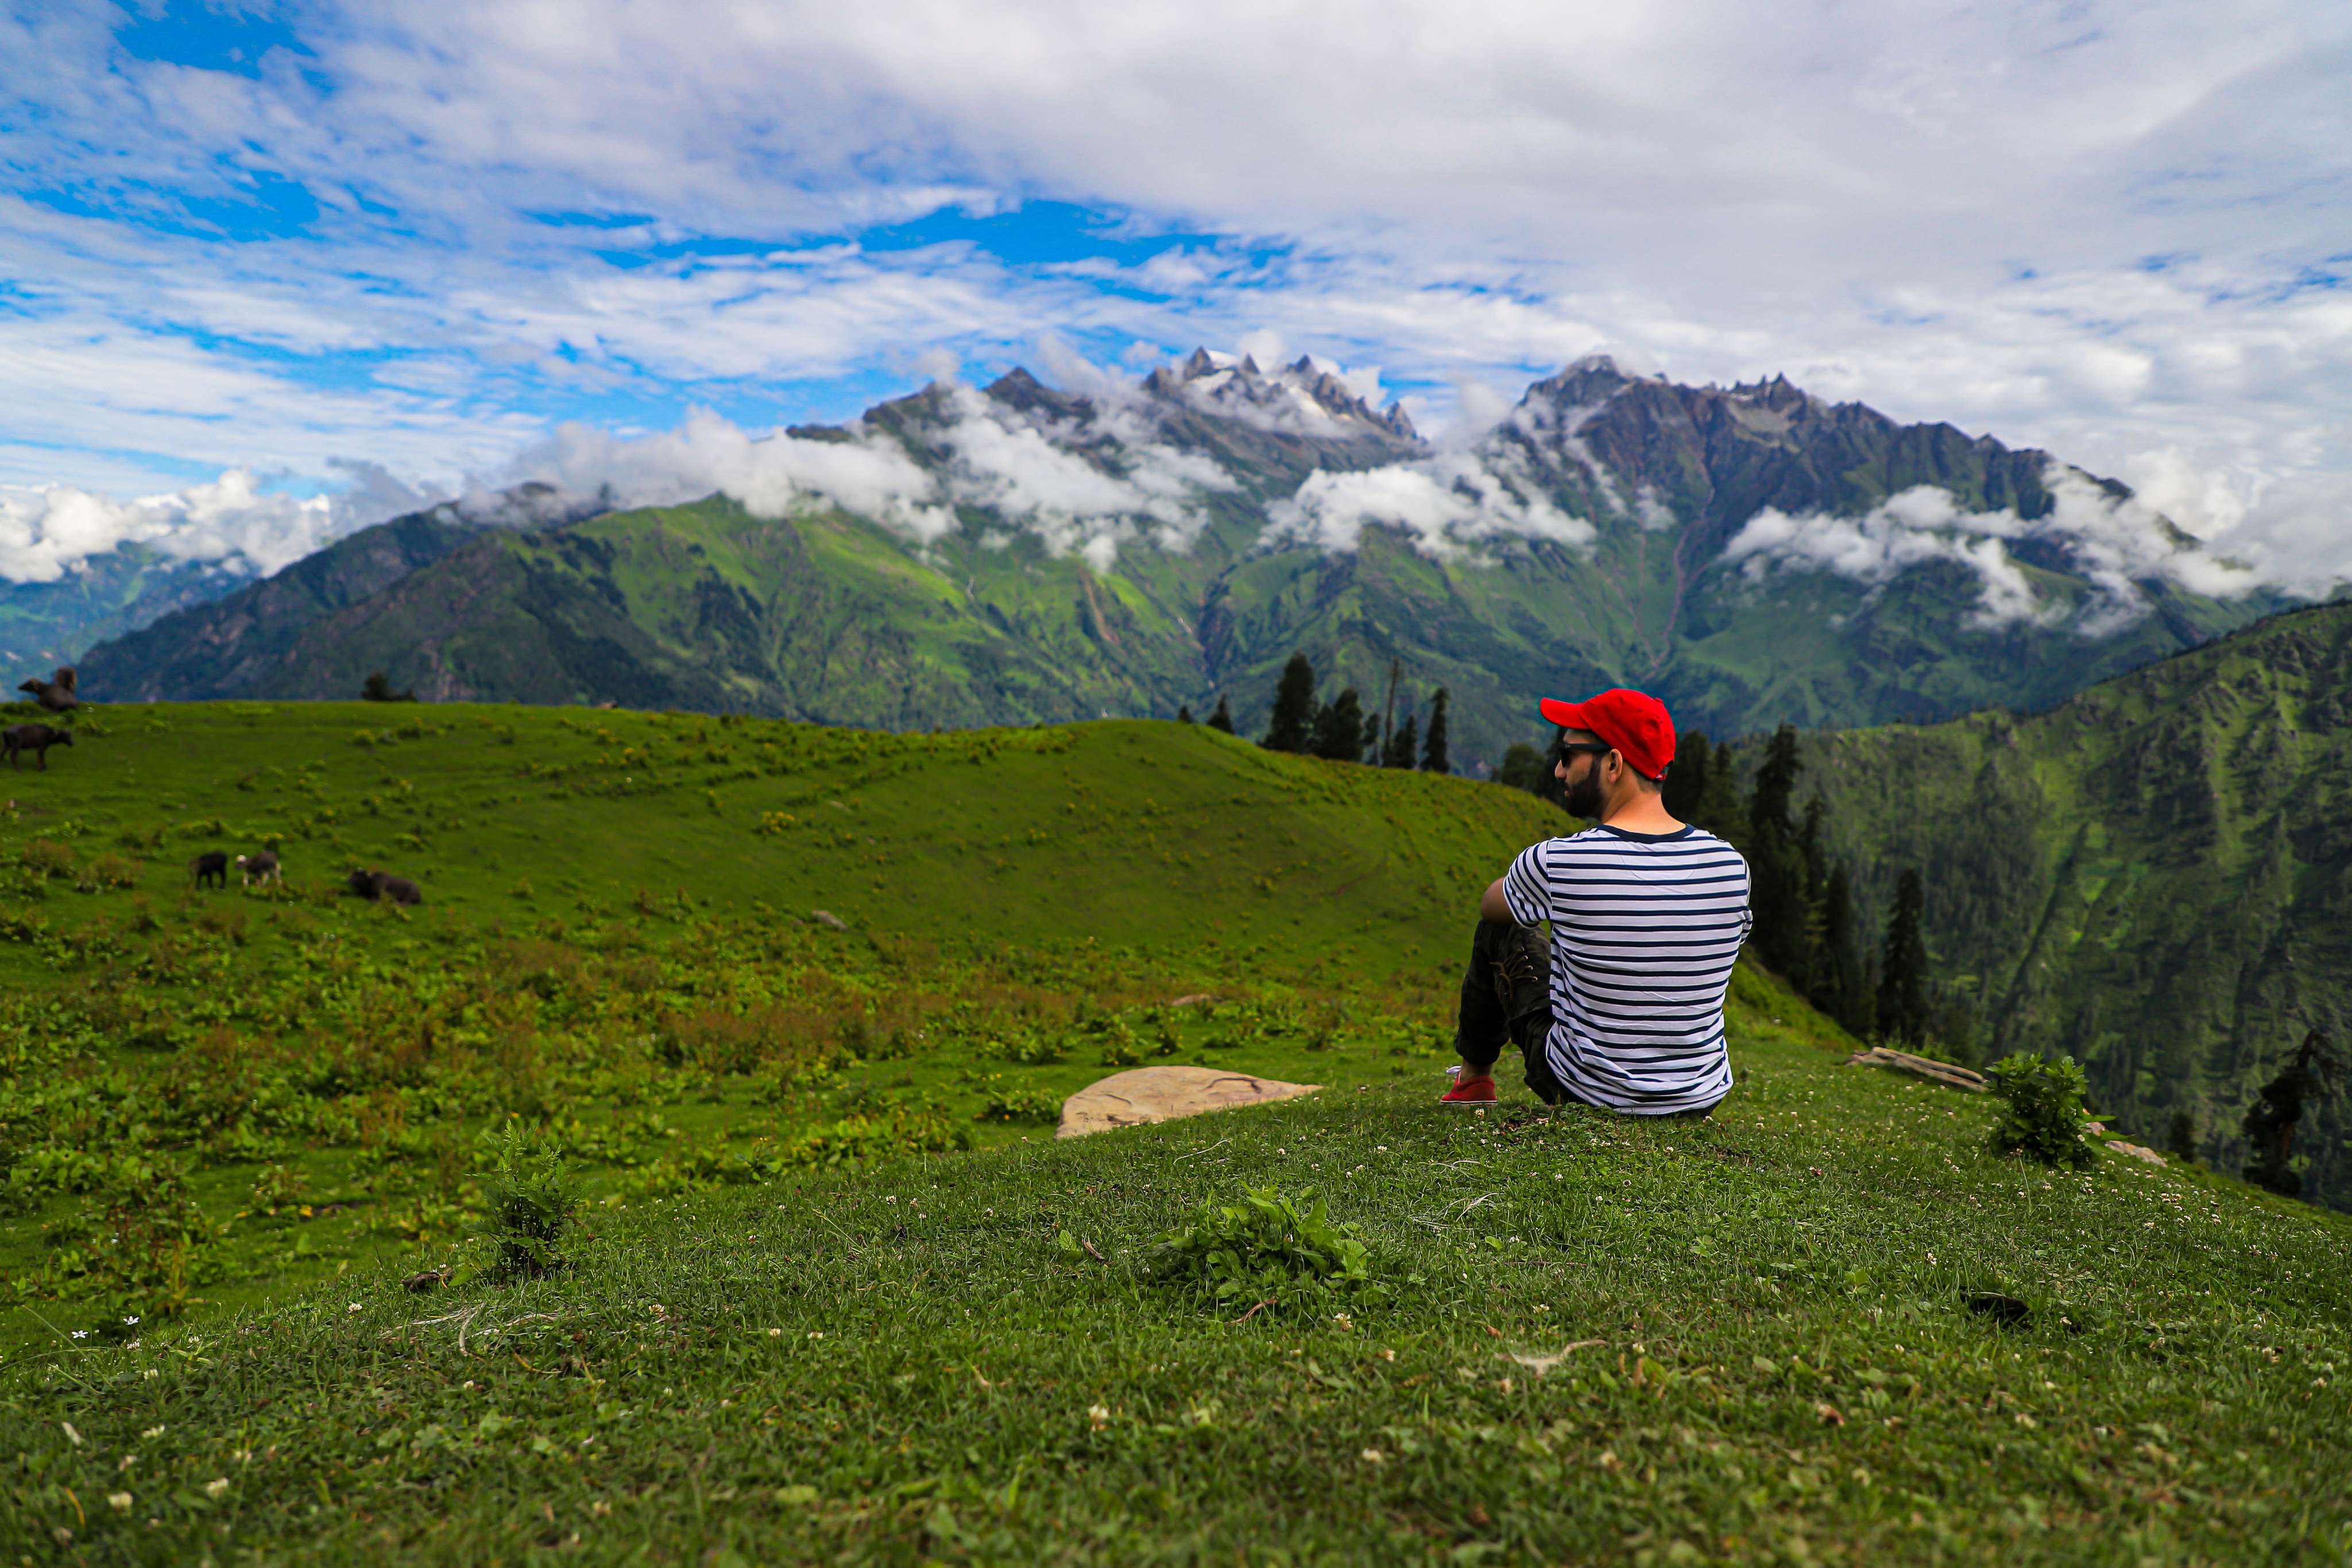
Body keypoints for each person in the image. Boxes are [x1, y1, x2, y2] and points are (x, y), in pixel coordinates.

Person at [1441, 688, 1751, 1117]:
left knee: (1505, 927)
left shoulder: (1560, 860)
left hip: (1584, 1089)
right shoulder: (1730, 864)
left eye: (1568, 754)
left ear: (1613, 764)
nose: (1557, 769)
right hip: (1698, 1096)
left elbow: (1491, 906)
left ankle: (1473, 1080)